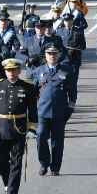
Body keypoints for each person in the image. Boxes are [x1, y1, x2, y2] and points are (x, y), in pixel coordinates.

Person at [0, 58, 38, 194]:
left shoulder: (28, 87)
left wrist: (32, 128)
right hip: (1, 129)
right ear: (5, 71)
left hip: (19, 129)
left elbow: (33, 111)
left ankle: (12, 192)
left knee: (16, 161)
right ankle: (7, 182)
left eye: (13, 70)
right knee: (0, 161)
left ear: (19, 71)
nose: (11, 73)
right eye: (8, 70)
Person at [31, 45, 76, 176]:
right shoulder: (38, 71)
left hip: (59, 112)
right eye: (49, 54)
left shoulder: (67, 71)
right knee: (40, 136)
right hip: (42, 112)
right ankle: (44, 164)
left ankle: (55, 167)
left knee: (57, 141)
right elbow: (32, 92)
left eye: (54, 53)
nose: (52, 56)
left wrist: (70, 109)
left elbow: (72, 92)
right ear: (45, 55)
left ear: (58, 55)